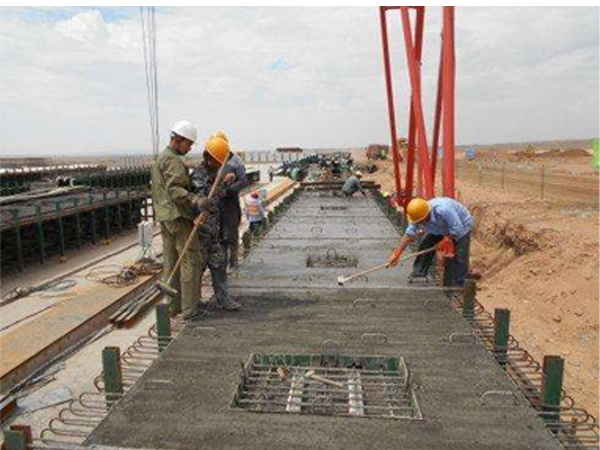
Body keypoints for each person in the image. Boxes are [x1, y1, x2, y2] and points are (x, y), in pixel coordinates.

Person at [151, 120, 203, 320]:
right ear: (179, 140)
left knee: (171, 262)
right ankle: (190, 309)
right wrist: (196, 200)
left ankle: (174, 308)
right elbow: (175, 190)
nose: (189, 148)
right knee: (190, 260)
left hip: (165, 217)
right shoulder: (173, 160)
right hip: (178, 217)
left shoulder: (160, 158)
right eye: (188, 144)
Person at [191, 136, 241, 312]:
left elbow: (218, 195)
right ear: (209, 158)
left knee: (219, 264)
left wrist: (224, 182)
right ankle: (193, 303)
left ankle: (223, 298)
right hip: (201, 232)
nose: (222, 165)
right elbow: (201, 199)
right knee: (197, 269)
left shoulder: (215, 173)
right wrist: (217, 183)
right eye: (219, 162)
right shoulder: (199, 174)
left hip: (215, 231)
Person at [387, 197, 473, 287]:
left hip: (462, 225)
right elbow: (409, 235)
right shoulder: (417, 215)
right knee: (426, 243)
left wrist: (443, 242)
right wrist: (397, 254)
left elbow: (457, 230)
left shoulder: (443, 210)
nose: (419, 223)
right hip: (440, 227)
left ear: (426, 215)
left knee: (460, 255)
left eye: (420, 221)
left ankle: (459, 286)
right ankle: (419, 272)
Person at [210, 131, 248, 272]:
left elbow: (243, 181)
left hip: (230, 203)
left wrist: (228, 190)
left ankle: (233, 262)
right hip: (215, 202)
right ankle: (221, 263)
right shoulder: (212, 159)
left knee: (230, 234)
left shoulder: (236, 162)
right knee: (218, 235)